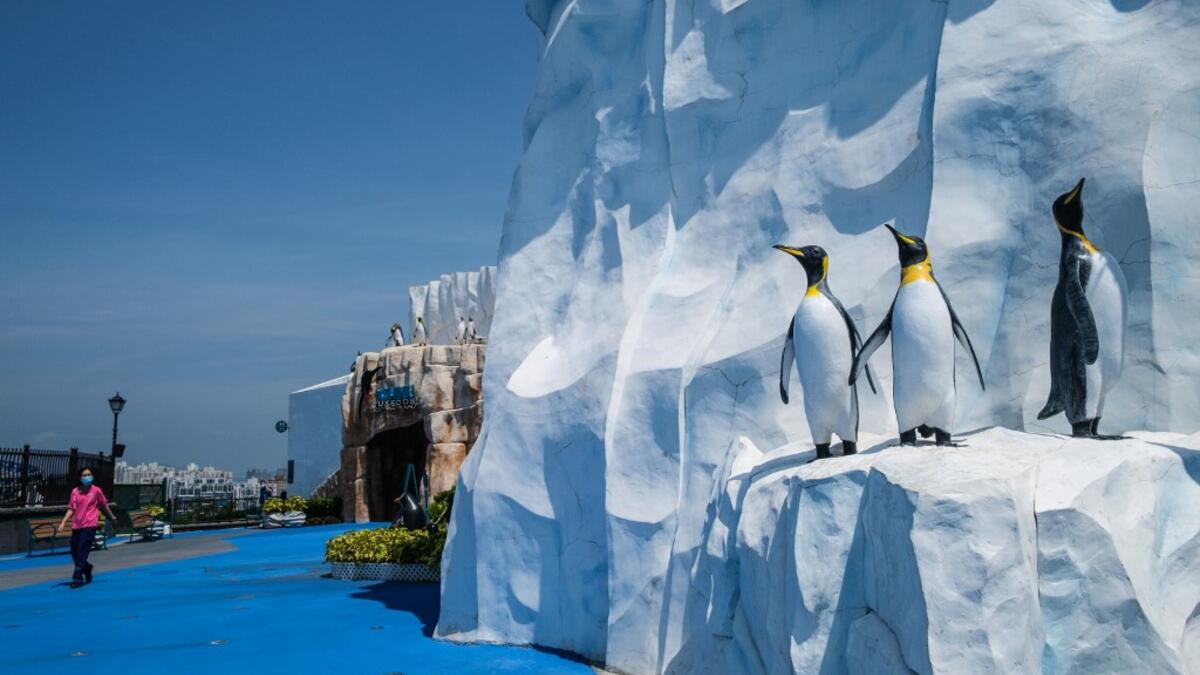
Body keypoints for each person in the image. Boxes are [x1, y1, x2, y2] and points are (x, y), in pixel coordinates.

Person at [58, 468, 117, 588]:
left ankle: (77, 578)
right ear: (80, 478)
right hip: (77, 525)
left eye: (89, 474)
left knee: (82, 551)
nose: (87, 477)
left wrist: (112, 517)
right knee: (74, 552)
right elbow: (71, 508)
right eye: (85, 475)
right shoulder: (75, 492)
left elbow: (104, 506)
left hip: (90, 525)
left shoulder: (96, 491)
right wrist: (63, 522)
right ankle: (87, 568)